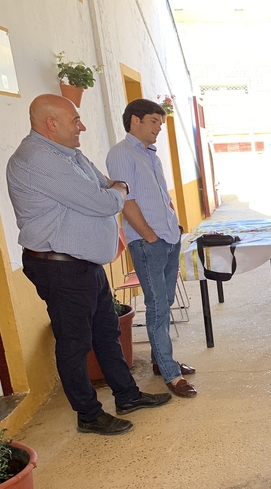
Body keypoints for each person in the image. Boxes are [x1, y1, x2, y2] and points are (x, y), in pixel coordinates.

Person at [6, 94, 172, 435]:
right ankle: (88, 414)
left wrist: (112, 191)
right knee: (75, 342)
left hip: (83, 264)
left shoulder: (70, 155)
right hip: (60, 267)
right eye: (74, 120)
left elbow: (102, 189)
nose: (81, 126)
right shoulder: (37, 158)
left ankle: (127, 395)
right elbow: (103, 200)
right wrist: (118, 189)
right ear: (51, 123)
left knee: (106, 333)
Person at [106, 98, 196, 398]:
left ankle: (161, 361)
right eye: (154, 121)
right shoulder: (120, 153)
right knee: (157, 307)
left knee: (165, 301)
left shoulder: (151, 155)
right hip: (148, 243)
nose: (159, 128)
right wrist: (149, 236)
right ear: (135, 120)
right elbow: (126, 201)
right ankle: (171, 374)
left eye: (161, 122)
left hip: (168, 238)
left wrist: (175, 225)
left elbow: (161, 193)